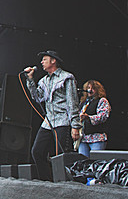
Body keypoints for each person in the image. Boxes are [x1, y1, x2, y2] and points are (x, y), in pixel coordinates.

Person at [24, 50, 81, 181]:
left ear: (53, 60)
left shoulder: (67, 77)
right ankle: (47, 181)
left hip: (63, 121)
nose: (41, 62)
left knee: (60, 156)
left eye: (44, 59)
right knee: (37, 151)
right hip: (48, 122)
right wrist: (30, 80)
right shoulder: (44, 80)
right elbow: (37, 97)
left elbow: (72, 102)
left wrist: (75, 125)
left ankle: (62, 183)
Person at [78, 79, 110, 157]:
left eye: (93, 88)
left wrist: (89, 117)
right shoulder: (84, 103)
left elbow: (103, 116)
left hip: (96, 138)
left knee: (96, 162)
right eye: (88, 88)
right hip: (83, 139)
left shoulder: (102, 101)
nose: (90, 90)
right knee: (83, 163)